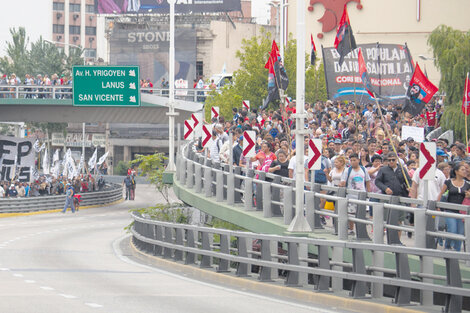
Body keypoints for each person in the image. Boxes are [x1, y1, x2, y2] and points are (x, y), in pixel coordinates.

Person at [437, 163, 470, 251]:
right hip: (450, 210)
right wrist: (438, 205)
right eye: (462, 170)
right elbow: (441, 193)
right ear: (456, 171)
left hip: (461, 211)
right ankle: (447, 247)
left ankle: (457, 251)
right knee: (452, 230)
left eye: (465, 170)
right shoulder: (448, 182)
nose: (465, 171)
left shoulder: (467, 184)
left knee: (460, 234)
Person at [340, 153, 371, 235]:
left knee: (361, 213)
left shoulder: (363, 170)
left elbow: (367, 181)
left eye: (354, 160)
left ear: (358, 160)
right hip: (351, 195)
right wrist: (342, 184)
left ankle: (361, 230)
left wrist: (369, 192)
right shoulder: (347, 170)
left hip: (362, 195)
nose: (353, 162)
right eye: (351, 160)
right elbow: (343, 180)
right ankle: (351, 229)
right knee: (351, 213)